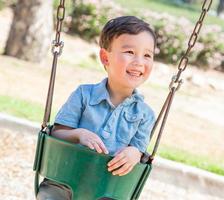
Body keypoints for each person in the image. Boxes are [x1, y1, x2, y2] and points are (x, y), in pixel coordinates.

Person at [37, 15, 156, 200]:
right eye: (130, 52)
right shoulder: (84, 95)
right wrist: (79, 134)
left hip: (107, 190)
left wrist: (134, 153)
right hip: (63, 182)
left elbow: (139, 151)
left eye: (147, 55)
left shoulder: (145, 115)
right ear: (105, 57)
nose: (139, 61)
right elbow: (57, 133)